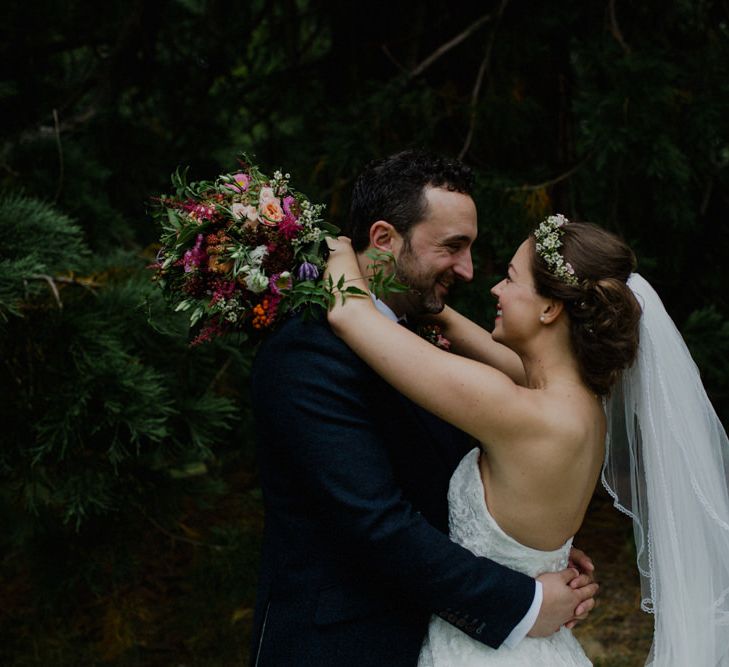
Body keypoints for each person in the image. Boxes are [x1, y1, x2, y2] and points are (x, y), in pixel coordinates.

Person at [326, 213, 729, 665]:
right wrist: (423, 296)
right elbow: (458, 329)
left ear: (550, 308)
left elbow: (349, 314)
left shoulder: (517, 411)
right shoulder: (581, 405)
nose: (496, 289)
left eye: (511, 278)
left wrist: (338, 249)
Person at [249, 152, 598, 666]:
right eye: (453, 247)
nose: (469, 270)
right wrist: (523, 599)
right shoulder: (307, 353)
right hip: (345, 645)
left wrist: (529, 547)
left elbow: (454, 482)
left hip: (440, 635)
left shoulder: (429, 342)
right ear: (385, 239)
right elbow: (378, 524)